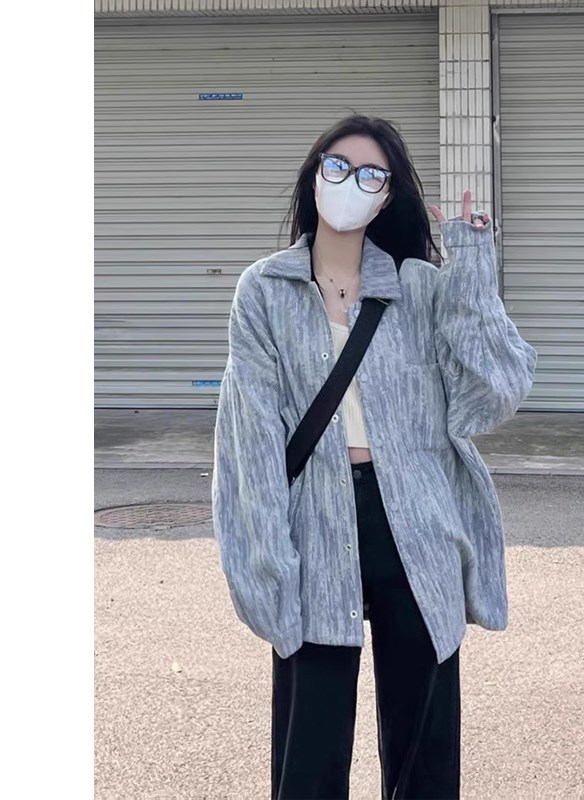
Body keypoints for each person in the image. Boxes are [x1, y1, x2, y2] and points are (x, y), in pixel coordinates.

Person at [211, 114, 537, 800]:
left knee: (424, 746)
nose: (349, 183)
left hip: (415, 520)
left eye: (369, 175)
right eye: (337, 166)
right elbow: (251, 443)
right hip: (314, 519)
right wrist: (264, 563)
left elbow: (493, 393)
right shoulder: (263, 290)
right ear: (313, 176)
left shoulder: (421, 288)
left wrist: (472, 270)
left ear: (387, 197)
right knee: (310, 746)